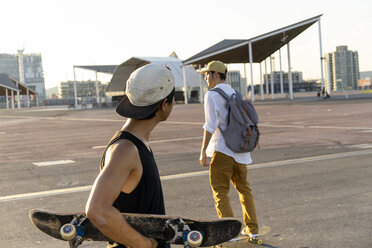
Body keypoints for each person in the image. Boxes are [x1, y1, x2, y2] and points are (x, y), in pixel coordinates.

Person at [85, 64, 175, 248]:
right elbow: (98, 210)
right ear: (165, 104)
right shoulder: (125, 149)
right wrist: (146, 245)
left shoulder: (137, 143)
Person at [199, 61, 259, 239]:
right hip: (241, 151)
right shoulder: (236, 93)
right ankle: (253, 229)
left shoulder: (212, 95)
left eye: (207, 74)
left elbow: (210, 125)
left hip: (223, 150)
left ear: (216, 75)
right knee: (244, 190)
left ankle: (229, 232)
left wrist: (203, 151)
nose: (205, 77)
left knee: (220, 192)